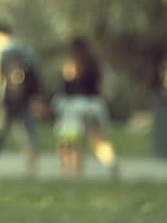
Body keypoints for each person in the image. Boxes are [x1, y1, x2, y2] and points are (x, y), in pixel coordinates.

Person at [0, 22, 44, 177]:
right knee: (29, 135)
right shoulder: (26, 50)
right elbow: (36, 77)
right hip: (26, 99)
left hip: (5, 100)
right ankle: (31, 171)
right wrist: (38, 99)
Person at [51, 37, 119, 179]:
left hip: (74, 106)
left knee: (71, 141)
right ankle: (112, 165)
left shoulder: (72, 63)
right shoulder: (96, 63)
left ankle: (76, 173)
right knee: (98, 141)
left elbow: (67, 85)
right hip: (94, 105)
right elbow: (105, 85)